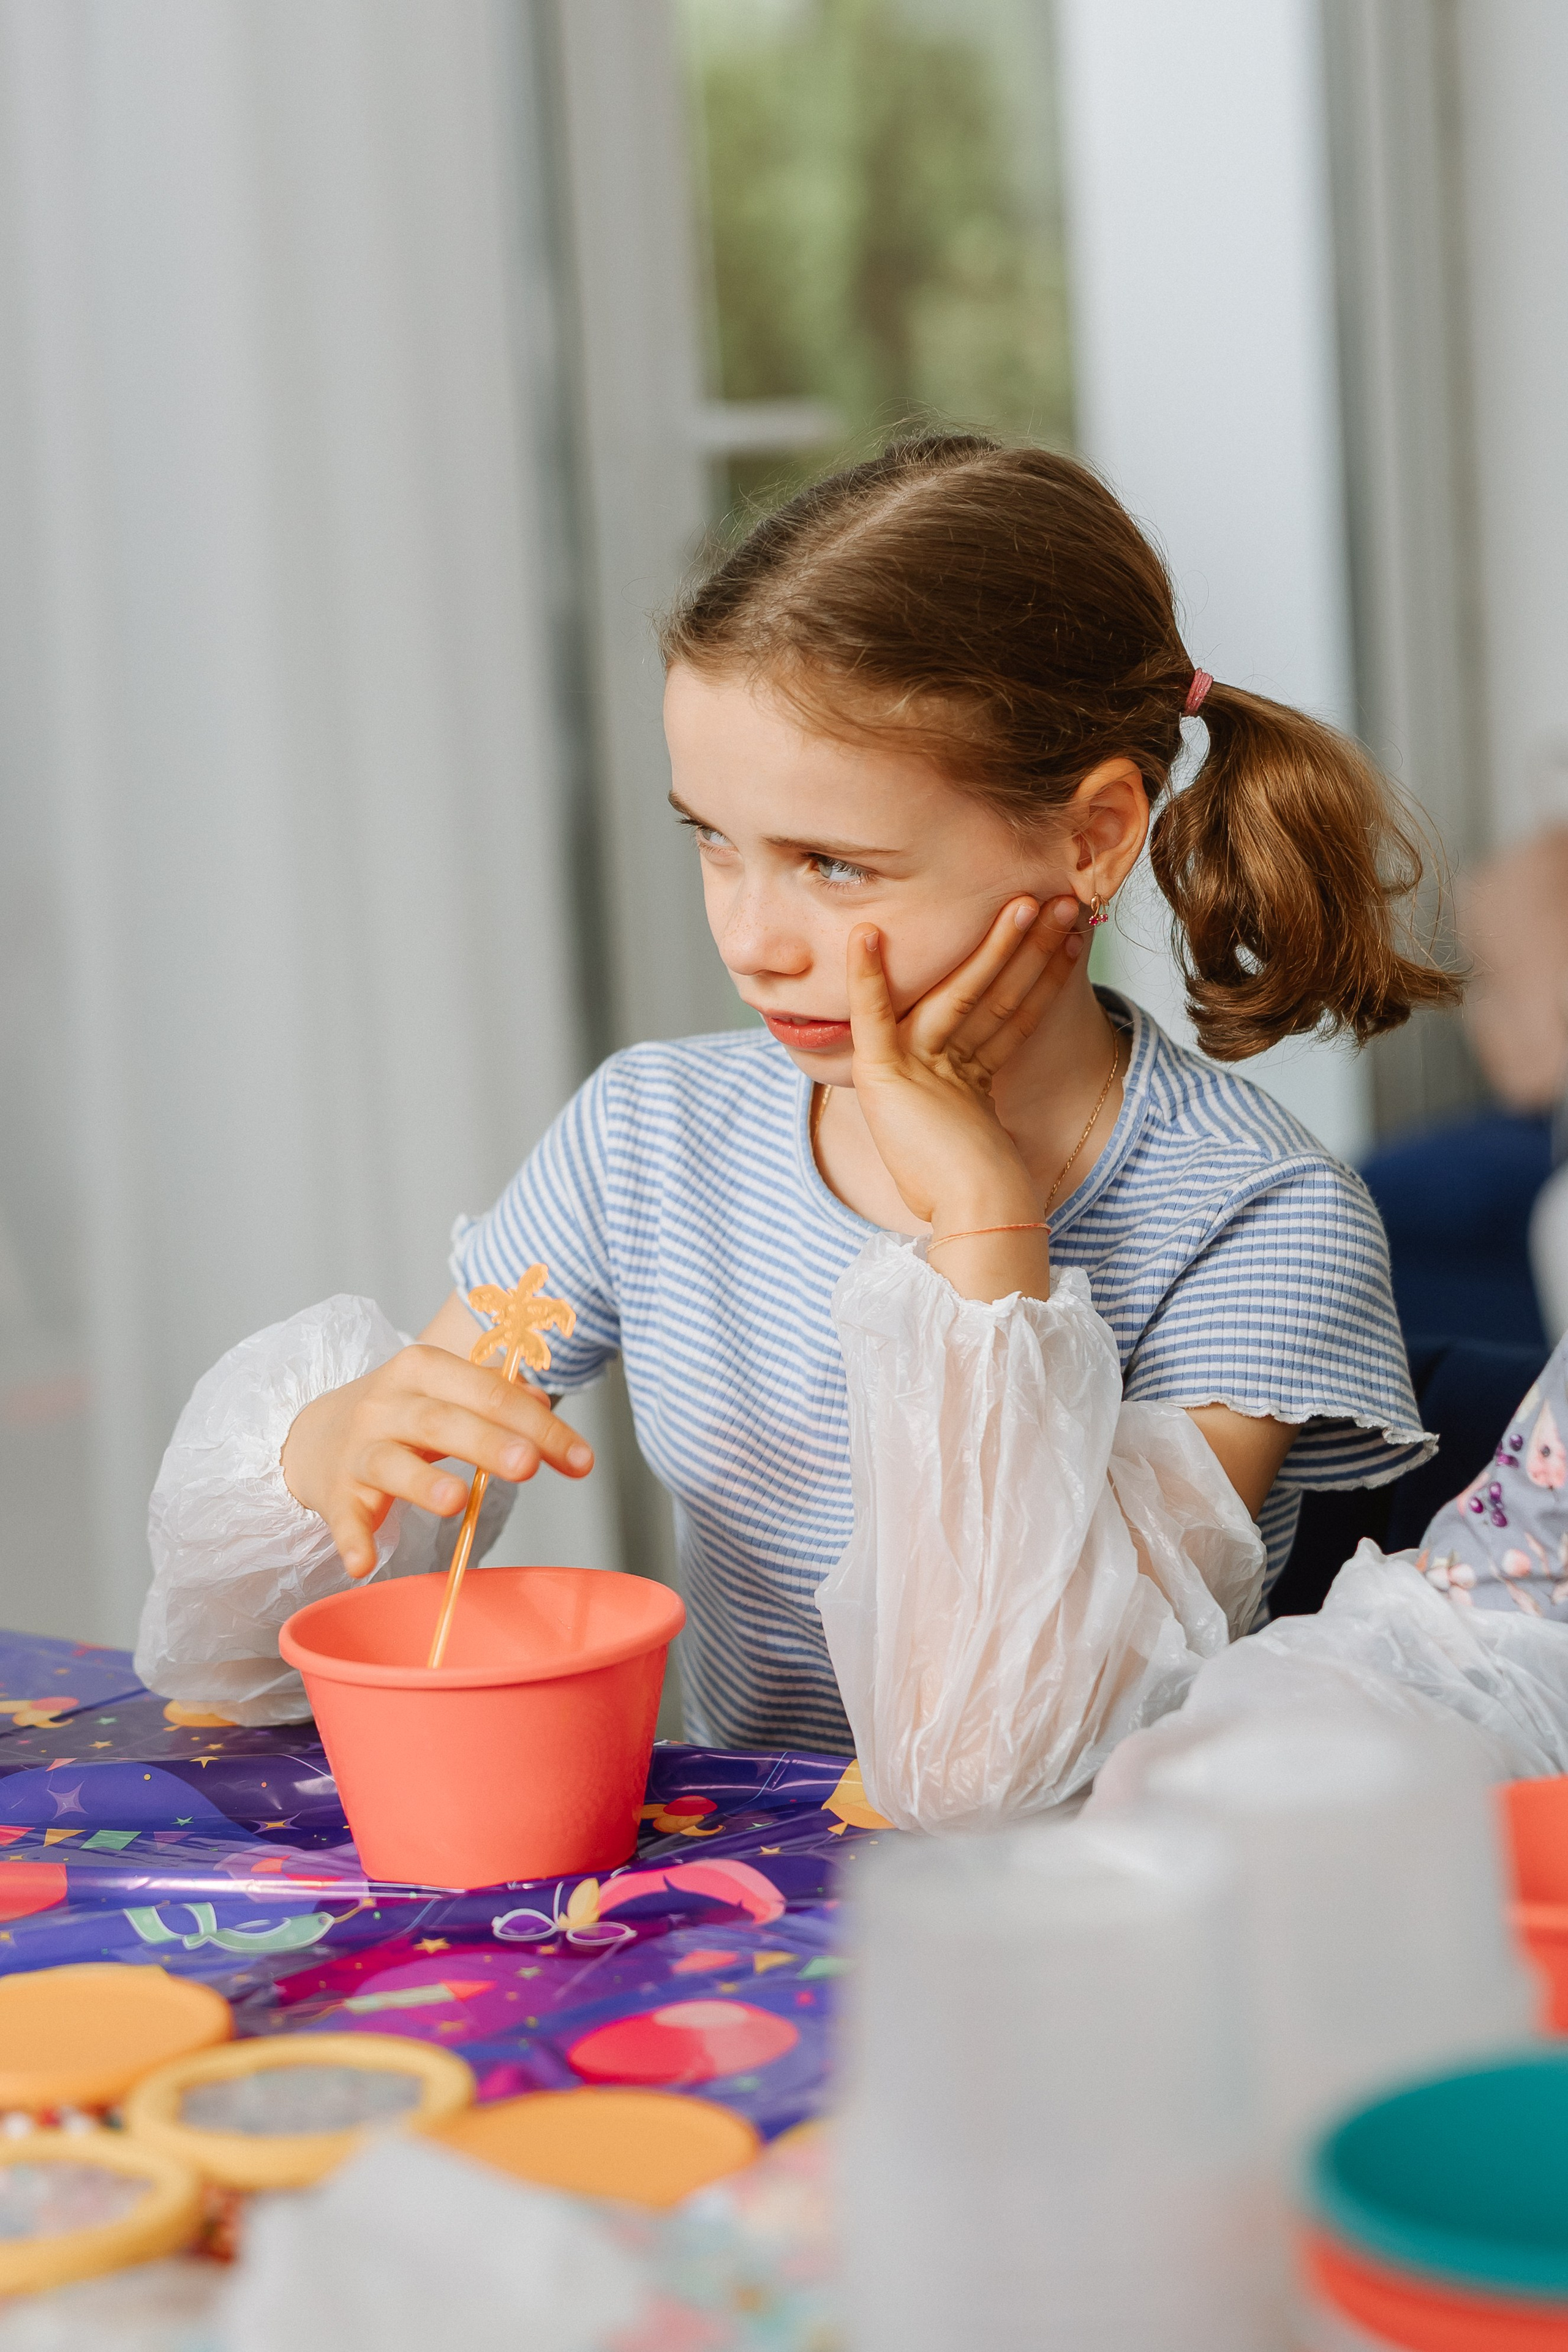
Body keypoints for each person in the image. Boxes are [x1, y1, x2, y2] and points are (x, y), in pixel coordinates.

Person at [138, 437, 1458, 1804]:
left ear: (1091, 835)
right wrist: (329, 1453)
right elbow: (242, 1665)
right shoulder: (651, 1138)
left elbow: (1003, 1770)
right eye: (711, 838)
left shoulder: (1259, 1221)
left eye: (833, 865)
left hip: (1080, 1930)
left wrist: (985, 1231)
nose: (751, 940)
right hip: (719, 1925)